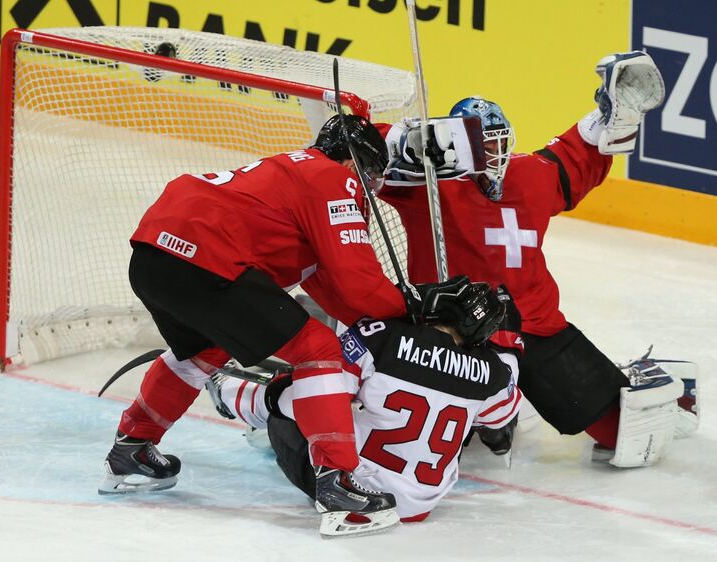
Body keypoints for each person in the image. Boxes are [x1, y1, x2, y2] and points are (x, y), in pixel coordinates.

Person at [98, 114, 468, 512]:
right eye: (372, 173)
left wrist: (395, 310)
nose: (371, 187)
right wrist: (411, 305)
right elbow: (358, 282)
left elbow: (337, 291)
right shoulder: (333, 178)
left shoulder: (293, 178)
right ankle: (338, 482)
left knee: (204, 351)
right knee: (318, 348)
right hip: (207, 260)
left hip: (153, 258)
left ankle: (132, 447)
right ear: (353, 161)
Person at [376, 51, 696, 468]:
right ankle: (490, 414)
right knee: (421, 429)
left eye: (498, 140)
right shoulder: (429, 186)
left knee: (623, 437)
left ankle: (612, 383)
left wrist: (610, 114)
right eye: (481, 143)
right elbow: (366, 154)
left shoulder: (532, 175)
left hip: (536, 327)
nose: (493, 153)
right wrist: (406, 143)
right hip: (451, 332)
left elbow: (578, 153)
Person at [207, 282, 523, 536]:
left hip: (355, 490)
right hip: (420, 503)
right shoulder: (495, 373)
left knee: (302, 391)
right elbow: (500, 418)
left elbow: (318, 394)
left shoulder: (384, 336)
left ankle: (227, 391)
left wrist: (275, 393)